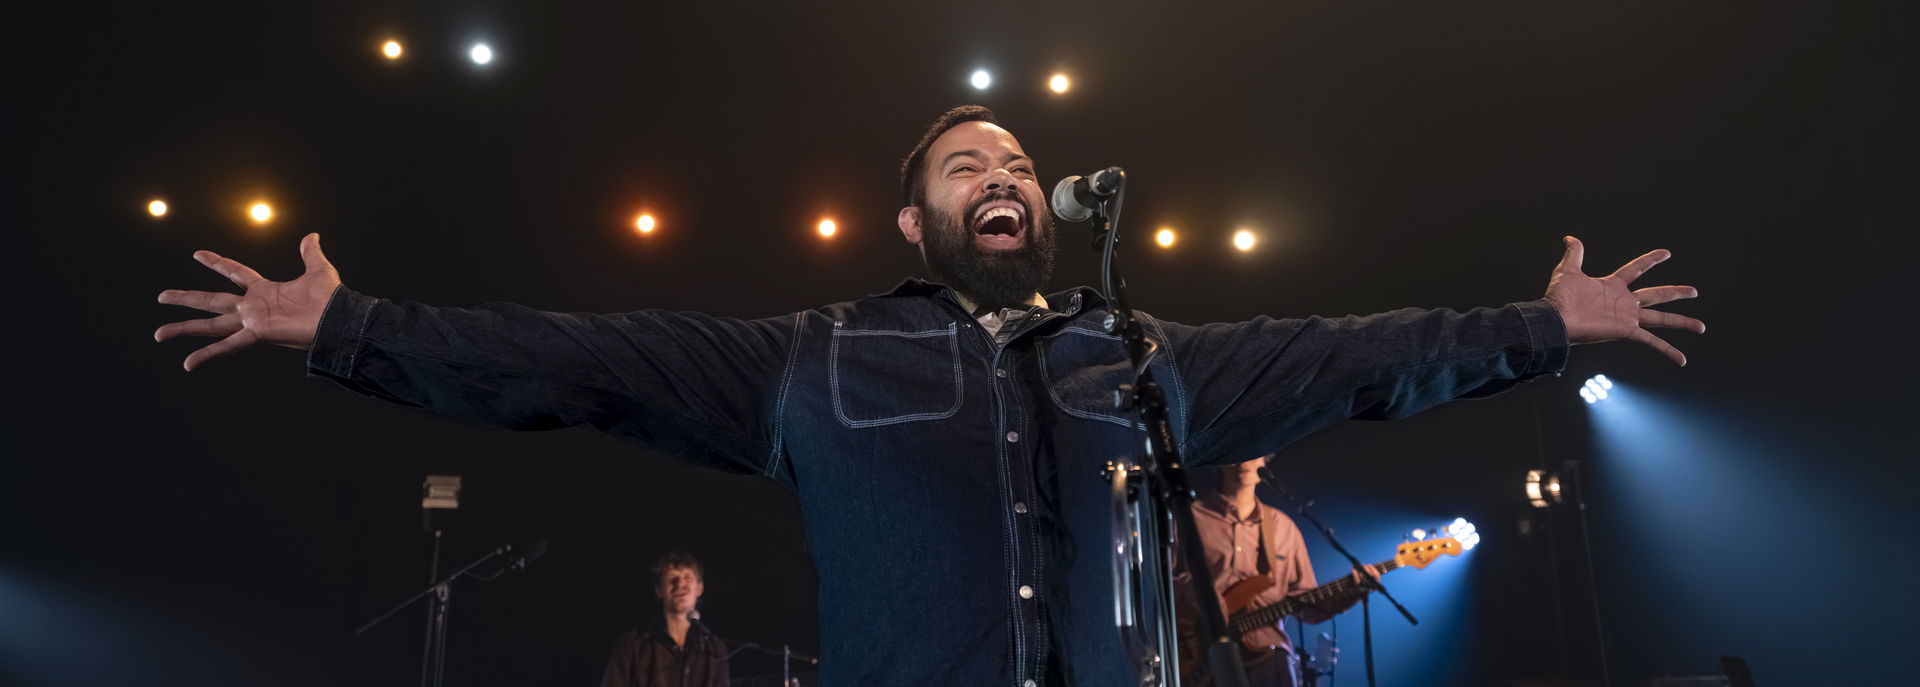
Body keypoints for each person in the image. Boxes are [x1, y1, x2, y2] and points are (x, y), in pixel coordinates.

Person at [152, 105, 1703, 685]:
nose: (1005, 173)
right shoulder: (815, 357)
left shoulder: (1138, 352)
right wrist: (353, 324)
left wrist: (1539, 325)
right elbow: (575, 360)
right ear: (917, 221)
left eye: (1019, 161)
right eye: (970, 164)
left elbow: (1350, 354)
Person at [1175, 456, 1373, 687]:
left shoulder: (1283, 527)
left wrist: (1353, 591)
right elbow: (1161, 584)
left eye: (1253, 452)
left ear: (1265, 460)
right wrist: (1203, 598)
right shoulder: (1188, 518)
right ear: (1219, 460)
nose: (1243, 461)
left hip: (1268, 659)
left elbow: (1309, 608)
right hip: (1202, 654)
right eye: (1234, 453)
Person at [602, 552, 730, 687]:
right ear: (658, 590)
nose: (680, 584)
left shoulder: (714, 648)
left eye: (687, 578)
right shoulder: (631, 645)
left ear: (699, 588)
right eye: (671, 579)